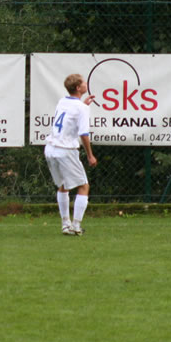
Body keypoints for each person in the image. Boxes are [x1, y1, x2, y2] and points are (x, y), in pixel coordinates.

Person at [44, 73, 97, 236]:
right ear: (78, 88)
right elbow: (83, 134)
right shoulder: (82, 108)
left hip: (51, 148)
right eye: (83, 83)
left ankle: (65, 224)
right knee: (83, 186)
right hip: (65, 150)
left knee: (63, 185)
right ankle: (76, 225)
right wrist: (90, 155)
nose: (86, 84)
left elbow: (71, 114)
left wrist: (84, 104)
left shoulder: (63, 101)